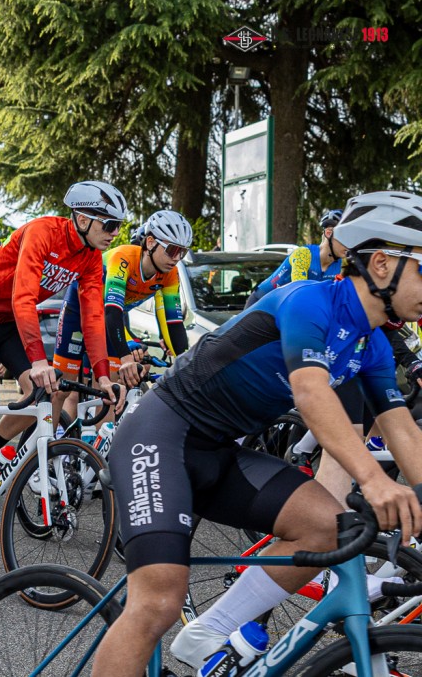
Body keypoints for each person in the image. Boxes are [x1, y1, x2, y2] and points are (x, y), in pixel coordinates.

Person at [94, 191, 422, 676]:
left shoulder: (370, 344)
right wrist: (374, 481)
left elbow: (403, 433)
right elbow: (310, 393)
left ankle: (210, 629)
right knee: (159, 601)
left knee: (327, 527)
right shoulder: (309, 301)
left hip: (220, 451)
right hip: (160, 436)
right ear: (381, 264)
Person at [0, 180, 126, 558]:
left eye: (119, 226)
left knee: (44, 395)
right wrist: (37, 359)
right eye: (110, 225)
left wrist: (102, 376)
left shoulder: (90, 258)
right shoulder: (42, 232)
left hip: (7, 326)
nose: (115, 234)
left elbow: (94, 318)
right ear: (82, 218)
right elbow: (24, 296)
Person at [53, 210, 190, 399]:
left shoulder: (170, 274)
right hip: (79, 309)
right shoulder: (123, 258)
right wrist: (128, 349)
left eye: (183, 252)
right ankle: (50, 417)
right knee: (62, 390)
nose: (177, 258)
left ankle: (100, 420)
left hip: (108, 317)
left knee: (111, 390)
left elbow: (174, 323)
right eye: (173, 250)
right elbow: (111, 312)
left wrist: (186, 363)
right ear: (151, 243)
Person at [244, 209, 347, 307]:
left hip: (283, 309)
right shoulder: (303, 254)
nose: (349, 244)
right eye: (344, 237)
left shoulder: (340, 264)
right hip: (260, 303)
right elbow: (300, 293)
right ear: (329, 233)